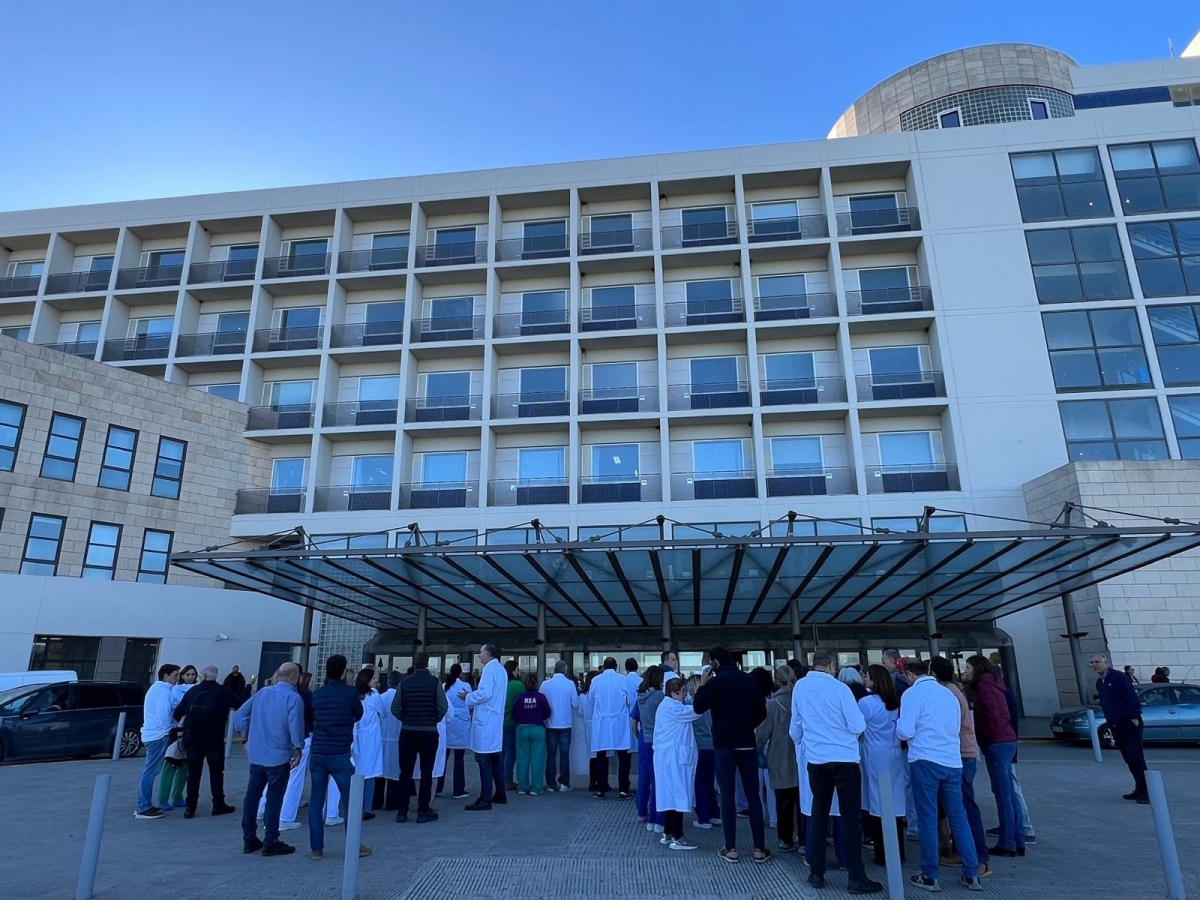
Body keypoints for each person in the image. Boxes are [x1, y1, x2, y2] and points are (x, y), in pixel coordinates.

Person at [790, 649, 879, 893]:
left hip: (816, 759)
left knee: (818, 815)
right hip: (844, 759)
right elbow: (857, 724)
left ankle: (816, 872)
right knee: (850, 819)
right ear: (831, 665)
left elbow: (795, 727)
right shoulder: (840, 689)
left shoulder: (800, 687)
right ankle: (855, 876)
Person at [896, 659, 981, 892]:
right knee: (958, 818)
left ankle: (929, 874)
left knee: (927, 818)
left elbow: (905, 731)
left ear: (909, 675)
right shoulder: (949, 694)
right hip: (952, 761)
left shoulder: (912, 694)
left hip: (924, 760)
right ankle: (972, 873)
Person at [693, 646, 770, 865]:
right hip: (747, 743)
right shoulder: (749, 680)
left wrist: (702, 684)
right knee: (753, 795)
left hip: (724, 744)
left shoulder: (715, 683)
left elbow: (698, 707)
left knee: (727, 794)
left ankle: (731, 848)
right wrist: (747, 726)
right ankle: (759, 848)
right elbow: (762, 712)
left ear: (714, 662)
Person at [232, 662, 305, 857]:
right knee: (274, 798)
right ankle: (271, 840)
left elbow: (240, 715)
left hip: (257, 754)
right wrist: (298, 749)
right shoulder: (293, 698)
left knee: (252, 796)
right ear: (295, 677)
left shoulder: (262, 693)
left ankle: (249, 838)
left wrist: (245, 737)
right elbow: (295, 727)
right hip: (279, 755)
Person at [928, 657, 990, 877]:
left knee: (965, 807)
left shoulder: (949, 693)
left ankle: (980, 858)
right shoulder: (953, 690)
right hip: (960, 753)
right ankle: (963, 853)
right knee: (959, 807)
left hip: (961, 754)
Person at [308, 655, 371, 860]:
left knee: (316, 801)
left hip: (319, 751)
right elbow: (359, 714)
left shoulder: (318, 693)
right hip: (340, 752)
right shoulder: (350, 693)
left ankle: (316, 848)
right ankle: (353, 845)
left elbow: (311, 717)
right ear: (344, 672)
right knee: (350, 800)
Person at [964, 654, 1024, 857]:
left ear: (977, 668)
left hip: (996, 741)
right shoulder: (996, 683)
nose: (966, 672)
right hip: (1006, 739)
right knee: (1008, 792)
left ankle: (1007, 842)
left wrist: (985, 737)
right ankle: (1018, 838)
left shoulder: (984, 686)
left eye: (968, 668)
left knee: (1002, 794)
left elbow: (992, 715)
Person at [173, 664, 248, 818]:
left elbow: (177, 712)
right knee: (216, 771)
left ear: (203, 676)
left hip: (192, 736)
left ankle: (190, 807)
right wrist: (249, 686)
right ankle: (218, 804)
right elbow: (240, 703)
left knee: (194, 772)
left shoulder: (193, 691)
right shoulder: (223, 691)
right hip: (214, 737)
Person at [859, 664, 908, 867]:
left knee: (878, 802)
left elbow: (856, 726)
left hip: (874, 753)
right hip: (894, 753)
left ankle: (882, 852)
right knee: (895, 801)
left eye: (867, 676)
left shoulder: (867, 703)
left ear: (874, 679)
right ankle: (898, 850)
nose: (864, 679)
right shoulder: (895, 702)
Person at [393, 652, 449, 822]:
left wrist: (406, 719)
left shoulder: (404, 683)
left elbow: (395, 708)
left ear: (414, 663)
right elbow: (443, 706)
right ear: (427, 663)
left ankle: (402, 811)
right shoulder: (435, 682)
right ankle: (423, 810)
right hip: (429, 731)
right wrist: (434, 719)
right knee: (426, 771)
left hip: (408, 731)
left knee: (405, 772)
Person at [1091, 652, 1148, 803]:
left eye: (1097, 662)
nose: (1094, 665)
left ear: (1106, 663)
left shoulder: (1119, 677)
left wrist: (1134, 716)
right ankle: (1139, 788)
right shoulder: (1100, 682)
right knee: (1128, 758)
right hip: (1115, 723)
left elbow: (1131, 696)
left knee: (1136, 757)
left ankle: (1147, 791)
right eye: (1092, 663)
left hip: (1129, 722)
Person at [652, 675, 701, 850]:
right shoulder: (674, 708)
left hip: (668, 759)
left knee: (670, 796)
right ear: (674, 693)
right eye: (683, 692)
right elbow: (697, 710)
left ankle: (668, 832)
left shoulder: (666, 706)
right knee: (678, 796)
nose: (685, 695)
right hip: (673, 760)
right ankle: (678, 837)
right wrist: (703, 690)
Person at [756, 664, 801, 852]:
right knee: (802, 801)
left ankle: (785, 839)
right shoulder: (801, 700)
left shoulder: (773, 704)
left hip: (779, 757)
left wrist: (756, 751)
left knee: (783, 801)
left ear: (777, 680)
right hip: (801, 755)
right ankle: (804, 840)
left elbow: (762, 734)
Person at [463, 643, 508, 810]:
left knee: (483, 760)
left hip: (487, 719)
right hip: (494, 719)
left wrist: (468, 697)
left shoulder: (489, 670)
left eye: (481, 652)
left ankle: (485, 797)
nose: (479, 655)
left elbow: (485, 693)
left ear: (488, 654)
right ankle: (500, 793)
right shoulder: (501, 670)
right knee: (495, 758)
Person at [268, 670, 314, 830]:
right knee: (295, 778)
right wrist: (298, 745)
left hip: (276, 739)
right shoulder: (301, 696)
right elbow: (305, 719)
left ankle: (263, 808)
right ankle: (286, 817)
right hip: (299, 739)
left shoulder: (268, 693)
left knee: (272, 776)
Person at [134, 663, 181, 819]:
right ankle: (143, 807)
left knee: (149, 770)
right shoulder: (163, 691)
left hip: (152, 734)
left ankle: (143, 804)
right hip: (158, 735)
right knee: (150, 771)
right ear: (166, 675)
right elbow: (164, 713)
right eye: (175, 675)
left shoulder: (157, 689)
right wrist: (168, 729)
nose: (177, 678)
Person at [589, 657, 634, 800]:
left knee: (601, 756)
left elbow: (590, 700)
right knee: (623, 756)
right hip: (619, 722)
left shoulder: (596, 680)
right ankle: (623, 790)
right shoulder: (623, 680)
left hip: (602, 722)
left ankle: (601, 790)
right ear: (616, 666)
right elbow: (630, 700)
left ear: (603, 667)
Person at [631, 665, 665, 831]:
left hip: (644, 739)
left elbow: (633, 723)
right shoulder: (660, 696)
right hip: (657, 740)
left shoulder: (640, 696)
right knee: (657, 779)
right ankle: (655, 817)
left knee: (643, 778)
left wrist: (639, 737)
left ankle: (641, 813)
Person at [686, 672, 720, 831]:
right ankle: (715, 814)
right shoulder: (712, 705)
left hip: (698, 747)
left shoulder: (691, 706)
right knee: (709, 782)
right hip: (712, 745)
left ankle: (704, 818)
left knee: (699, 783)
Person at [540, 659, 580, 792]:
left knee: (551, 755)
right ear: (565, 670)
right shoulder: (570, 684)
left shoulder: (545, 684)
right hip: (565, 724)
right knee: (564, 755)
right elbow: (575, 703)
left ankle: (551, 784)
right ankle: (564, 783)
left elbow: (540, 700)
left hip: (550, 723)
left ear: (554, 670)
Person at [352, 666, 386, 818]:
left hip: (356, 736)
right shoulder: (373, 694)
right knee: (370, 773)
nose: (376, 681)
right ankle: (367, 808)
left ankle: (355, 805)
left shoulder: (355, 694)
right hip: (370, 737)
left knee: (357, 772)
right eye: (374, 678)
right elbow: (383, 712)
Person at [510, 672, 551, 795]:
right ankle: (536, 787)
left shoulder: (520, 697)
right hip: (538, 728)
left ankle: (523, 786)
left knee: (522, 758)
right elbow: (547, 713)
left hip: (522, 728)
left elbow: (514, 714)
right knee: (537, 759)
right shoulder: (541, 697)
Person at [443, 663, 473, 799]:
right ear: (461, 673)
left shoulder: (444, 686)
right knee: (459, 758)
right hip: (461, 724)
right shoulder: (465, 686)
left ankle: (437, 787)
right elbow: (470, 703)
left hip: (448, 723)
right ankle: (458, 789)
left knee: (443, 758)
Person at [379, 670, 402, 809]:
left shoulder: (381, 698)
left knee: (380, 770)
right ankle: (392, 802)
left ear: (388, 682)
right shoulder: (402, 698)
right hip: (397, 737)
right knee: (395, 771)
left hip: (382, 738)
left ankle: (376, 800)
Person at [502, 659, 523, 791]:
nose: (518, 672)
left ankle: (501, 778)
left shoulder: (501, 683)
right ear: (513, 671)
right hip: (512, 721)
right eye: (517, 670)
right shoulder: (517, 685)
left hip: (500, 722)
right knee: (511, 752)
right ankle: (507, 780)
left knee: (503, 752)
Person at [624, 657, 642, 757]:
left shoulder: (624, 681)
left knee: (627, 745)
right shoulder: (642, 681)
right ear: (637, 667)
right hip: (639, 714)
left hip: (626, 715)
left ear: (626, 668)